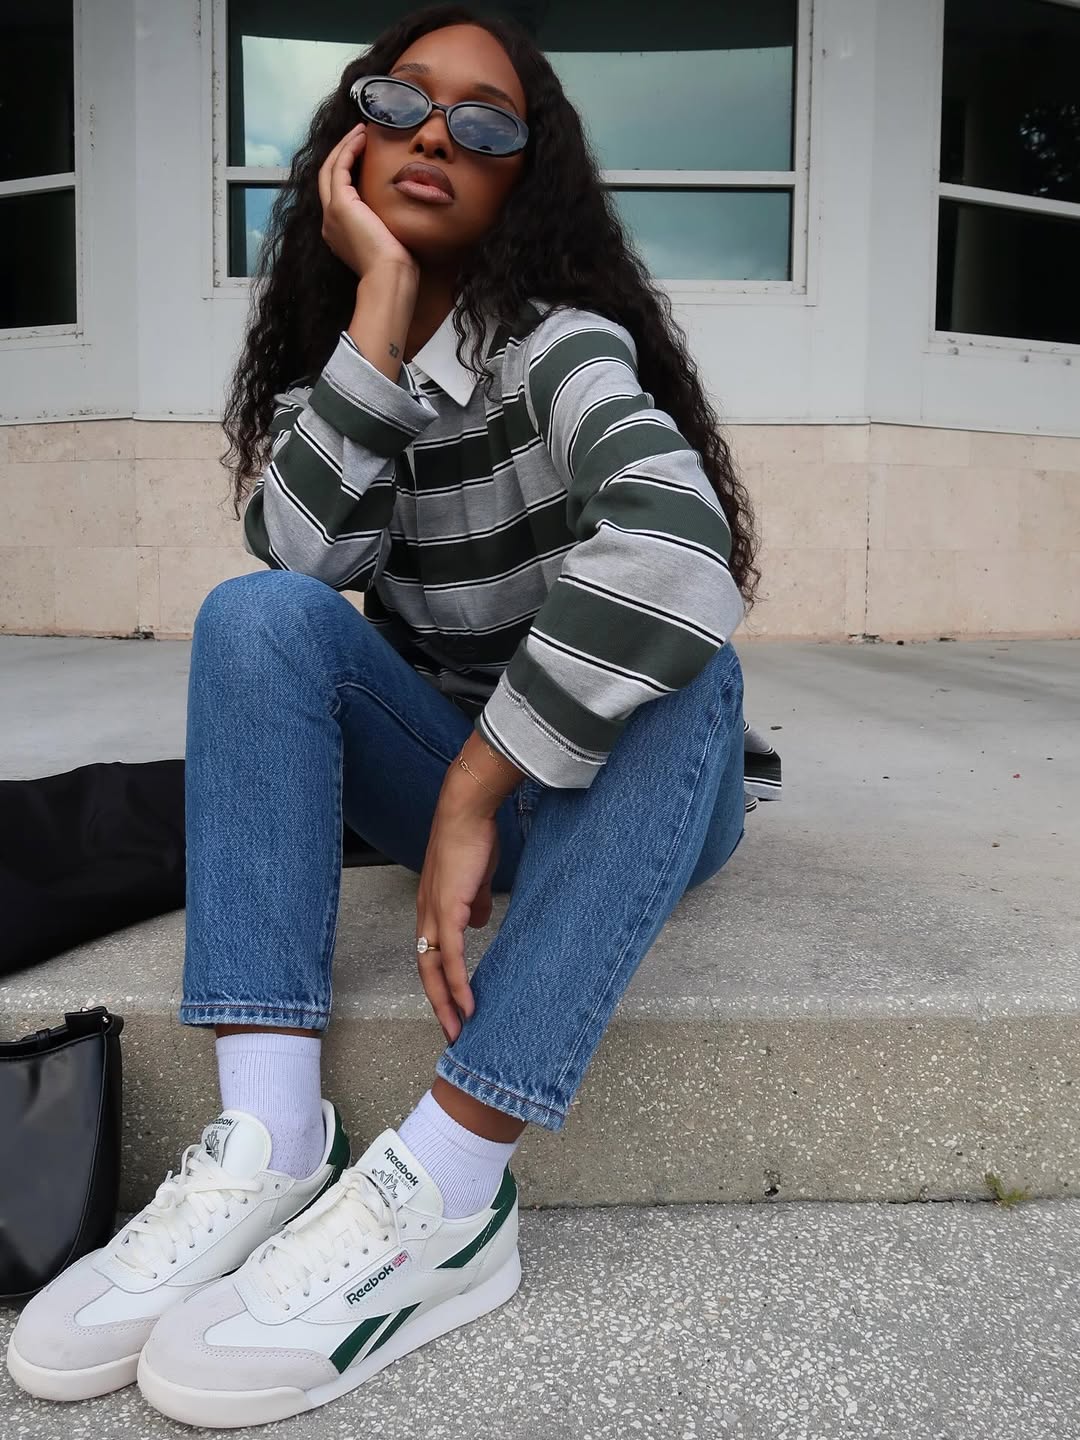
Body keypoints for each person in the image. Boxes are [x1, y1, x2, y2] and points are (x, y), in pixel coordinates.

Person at [7, 5, 779, 1426]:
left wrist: (479, 786)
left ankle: (452, 1190)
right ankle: (270, 1139)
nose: (436, 134)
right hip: (453, 782)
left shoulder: (560, 353)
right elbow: (295, 561)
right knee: (258, 618)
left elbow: (681, 549)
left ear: (524, 180)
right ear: (351, 140)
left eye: (485, 122)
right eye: (403, 100)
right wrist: (377, 302)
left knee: (692, 677)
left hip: (629, 792)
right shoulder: (348, 388)